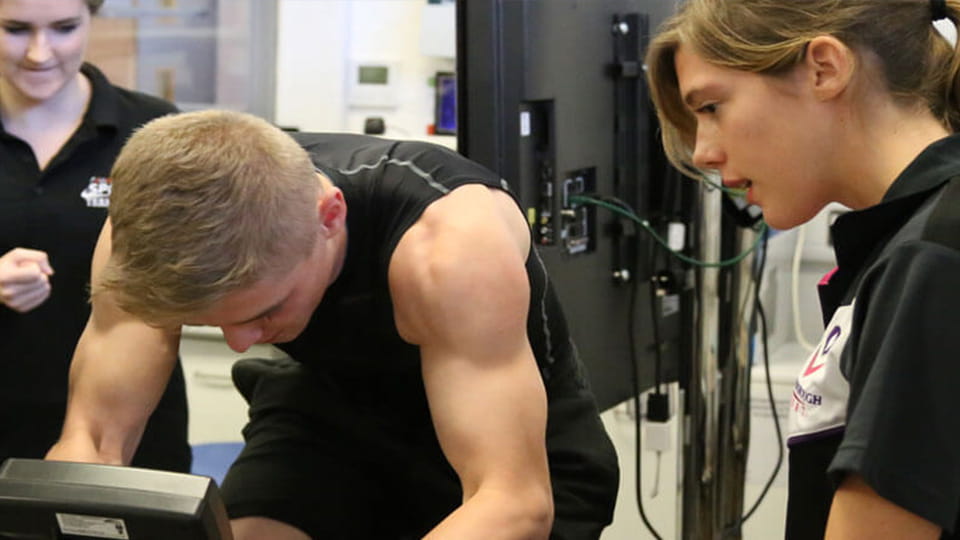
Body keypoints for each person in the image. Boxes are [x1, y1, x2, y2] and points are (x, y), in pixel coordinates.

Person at [46, 109, 620, 539]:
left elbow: (512, 498)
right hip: (327, 414)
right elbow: (92, 442)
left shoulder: (448, 246)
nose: (240, 343)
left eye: (263, 311)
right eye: (210, 324)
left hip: (512, 450)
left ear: (330, 216)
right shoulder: (149, 232)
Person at [645, 0, 960, 538]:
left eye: (713, 106)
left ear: (824, 69)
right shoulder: (909, 241)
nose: (702, 153)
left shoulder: (931, 257)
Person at [0, 0, 190, 472]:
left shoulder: (151, 131)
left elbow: (182, 285)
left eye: (64, 28)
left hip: (127, 430)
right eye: (15, 29)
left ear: (92, 19)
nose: (40, 53)